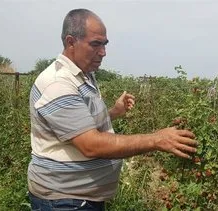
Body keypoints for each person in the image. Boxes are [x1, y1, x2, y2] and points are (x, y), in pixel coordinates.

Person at [27, 8, 197, 211]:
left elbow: (79, 126)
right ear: (71, 42)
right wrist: (157, 139)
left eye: (104, 44)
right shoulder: (58, 84)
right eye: (95, 44)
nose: (103, 52)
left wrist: (114, 112)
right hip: (63, 201)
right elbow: (90, 145)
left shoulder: (84, 75)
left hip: (79, 199)